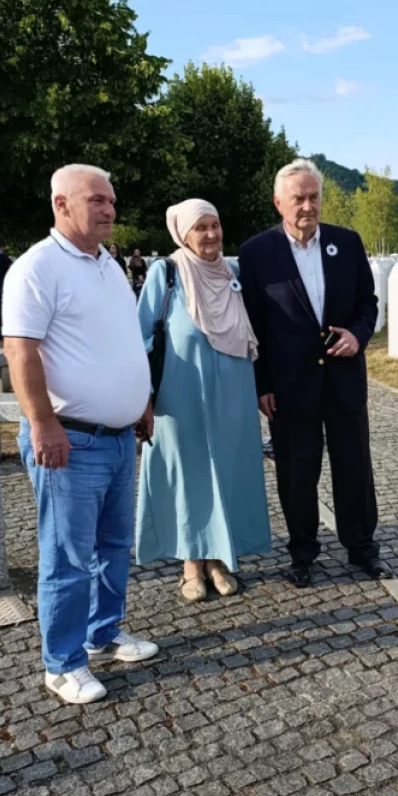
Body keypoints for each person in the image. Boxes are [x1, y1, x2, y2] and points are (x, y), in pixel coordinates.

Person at [3, 163, 159, 705]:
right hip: (70, 438)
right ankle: (62, 663)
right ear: (60, 204)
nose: (109, 209)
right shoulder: (37, 268)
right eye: (95, 199)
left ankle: (102, 634)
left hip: (116, 436)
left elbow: (120, 340)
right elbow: (19, 351)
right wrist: (43, 423)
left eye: (111, 200)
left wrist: (139, 401)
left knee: (114, 545)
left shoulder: (107, 265)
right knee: (67, 556)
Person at [238, 158, 388, 588]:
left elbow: (368, 302)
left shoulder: (347, 241)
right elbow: (254, 324)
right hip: (289, 385)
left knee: (354, 468)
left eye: (314, 197)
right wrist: (261, 383)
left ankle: (362, 548)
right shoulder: (257, 252)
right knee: (296, 472)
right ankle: (303, 553)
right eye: (299, 199)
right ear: (278, 203)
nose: (308, 206)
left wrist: (359, 335)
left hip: (343, 379)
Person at [135, 199, 270, 601]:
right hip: (180, 395)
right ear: (182, 233)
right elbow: (141, 336)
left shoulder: (235, 274)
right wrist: (143, 397)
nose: (210, 235)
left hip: (233, 395)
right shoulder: (167, 273)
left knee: (226, 469)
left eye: (215, 225)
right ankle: (190, 564)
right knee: (187, 471)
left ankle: (217, 558)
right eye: (200, 228)